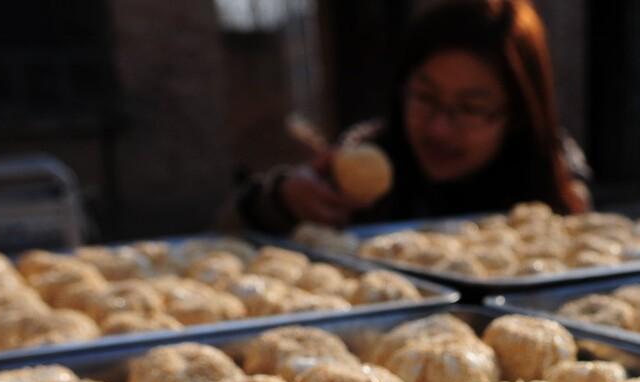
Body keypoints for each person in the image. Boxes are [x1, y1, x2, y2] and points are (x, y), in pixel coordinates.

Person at [234, 0, 589, 233]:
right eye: (425, 96)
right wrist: (281, 201)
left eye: (470, 108)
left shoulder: (554, 174)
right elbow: (223, 234)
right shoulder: (362, 156)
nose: (439, 127)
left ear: (518, 114)